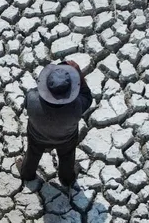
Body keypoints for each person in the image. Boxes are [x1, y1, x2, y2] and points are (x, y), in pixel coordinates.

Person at [17, 59, 93, 187]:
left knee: (33, 153)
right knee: (66, 157)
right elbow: (87, 96)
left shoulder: (32, 97)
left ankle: (27, 174)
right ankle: (67, 179)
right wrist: (78, 74)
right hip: (65, 140)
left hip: (37, 136)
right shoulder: (77, 106)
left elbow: (28, 103)